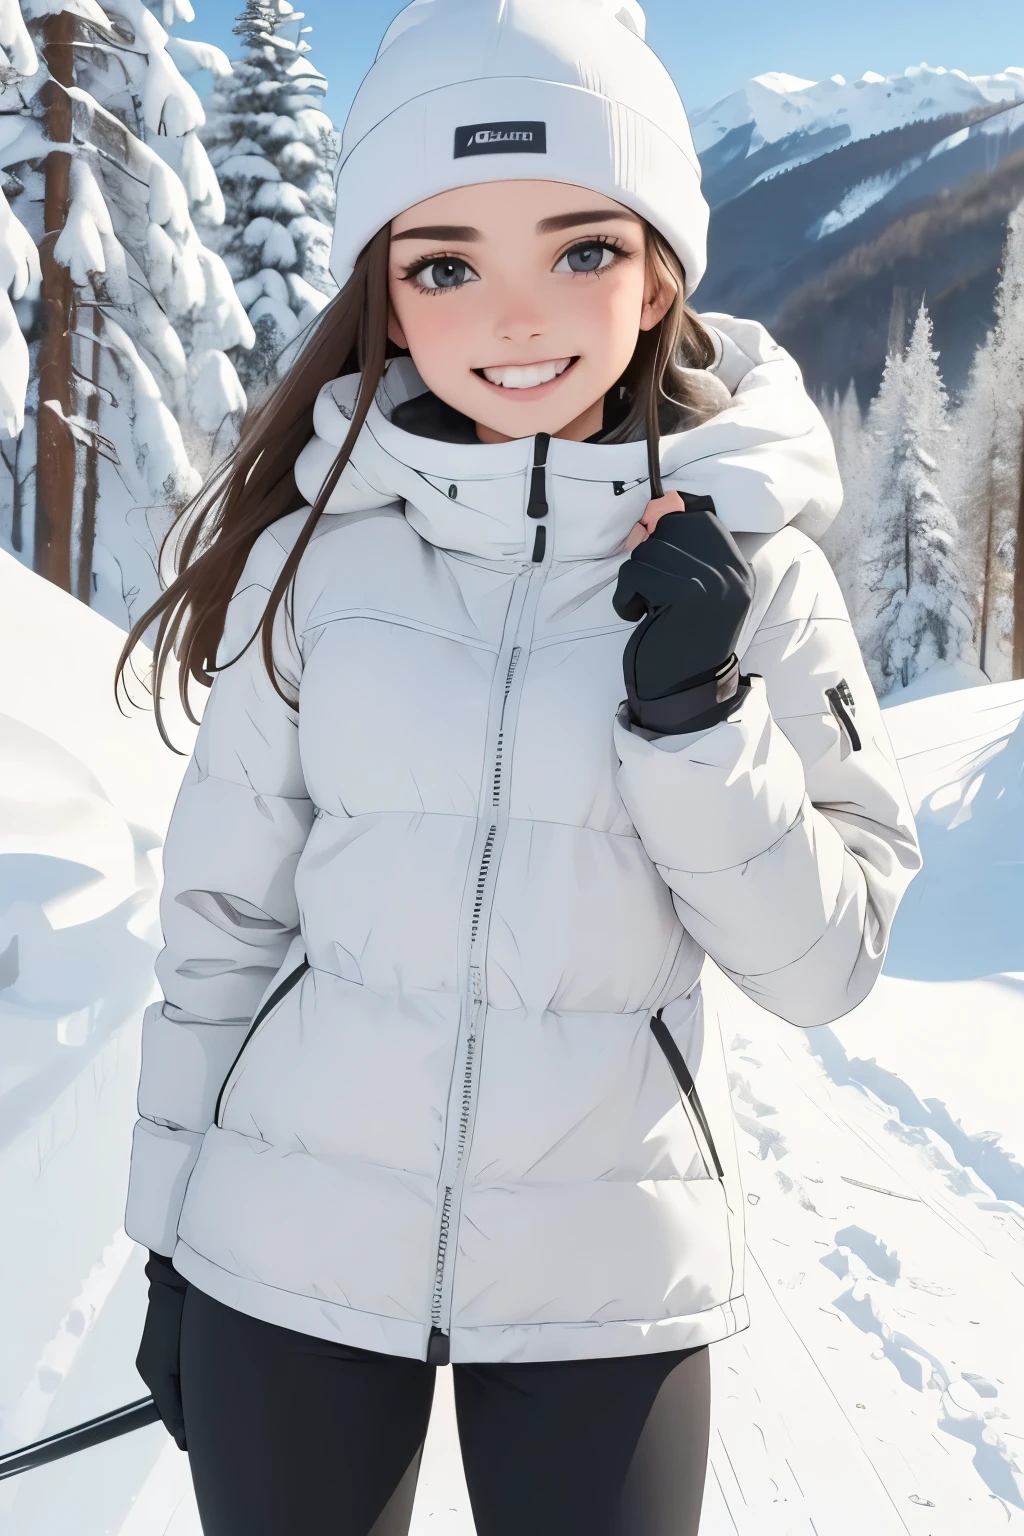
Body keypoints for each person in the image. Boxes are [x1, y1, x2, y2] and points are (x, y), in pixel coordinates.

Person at [117, 1, 922, 1531]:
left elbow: (829, 967)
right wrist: (166, 1245)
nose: (512, 318)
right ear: (388, 293)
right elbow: (216, 939)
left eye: (578, 251)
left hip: (604, 1277)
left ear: (661, 270)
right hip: (284, 1260)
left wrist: (699, 722)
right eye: (443, 266)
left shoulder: (757, 578)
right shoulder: (317, 570)